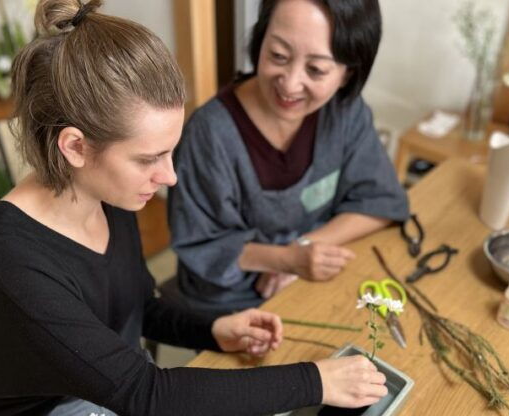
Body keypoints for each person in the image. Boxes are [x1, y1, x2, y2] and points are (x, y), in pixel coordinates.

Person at [0, 0, 388, 416]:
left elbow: (139, 307)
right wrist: (315, 380)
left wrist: (210, 329)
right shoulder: (4, 257)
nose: (170, 177)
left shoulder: (106, 193)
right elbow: (149, 395)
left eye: (169, 150)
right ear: (75, 147)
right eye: (150, 158)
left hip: (116, 393)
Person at [168, 0, 409, 315]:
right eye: (278, 56)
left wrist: (303, 250)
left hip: (306, 282)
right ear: (260, 39)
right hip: (227, 301)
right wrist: (284, 260)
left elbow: (380, 203)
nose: (290, 83)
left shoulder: (345, 113)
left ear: (347, 74)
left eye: (316, 69)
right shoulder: (210, 135)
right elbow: (201, 244)